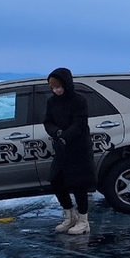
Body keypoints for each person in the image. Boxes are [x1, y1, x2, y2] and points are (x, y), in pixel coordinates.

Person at [44, 67, 97, 235]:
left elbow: (79, 124)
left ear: (66, 84)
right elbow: (47, 122)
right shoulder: (51, 102)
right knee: (56, 180)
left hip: (79, 149)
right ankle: (70, 215)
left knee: (78, 184)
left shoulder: (79, 101)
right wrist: (57, 133)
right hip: (61, 149)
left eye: (59, 86)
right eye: (53, 87)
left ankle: (83, 221)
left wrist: (65, 137)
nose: (56, 90)